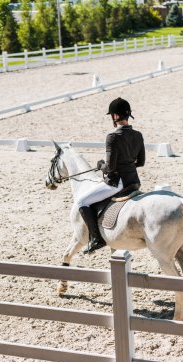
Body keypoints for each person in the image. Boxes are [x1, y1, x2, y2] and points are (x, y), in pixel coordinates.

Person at [76, 97, 146, 253]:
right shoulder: (138, 135)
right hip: (134, 181)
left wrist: (101, 166)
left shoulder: (113, 137)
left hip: (117, 183)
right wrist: (127, 166)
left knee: (81, 201)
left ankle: (96, 238)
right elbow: (140, 162)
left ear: (115, 116)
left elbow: (111, 168)